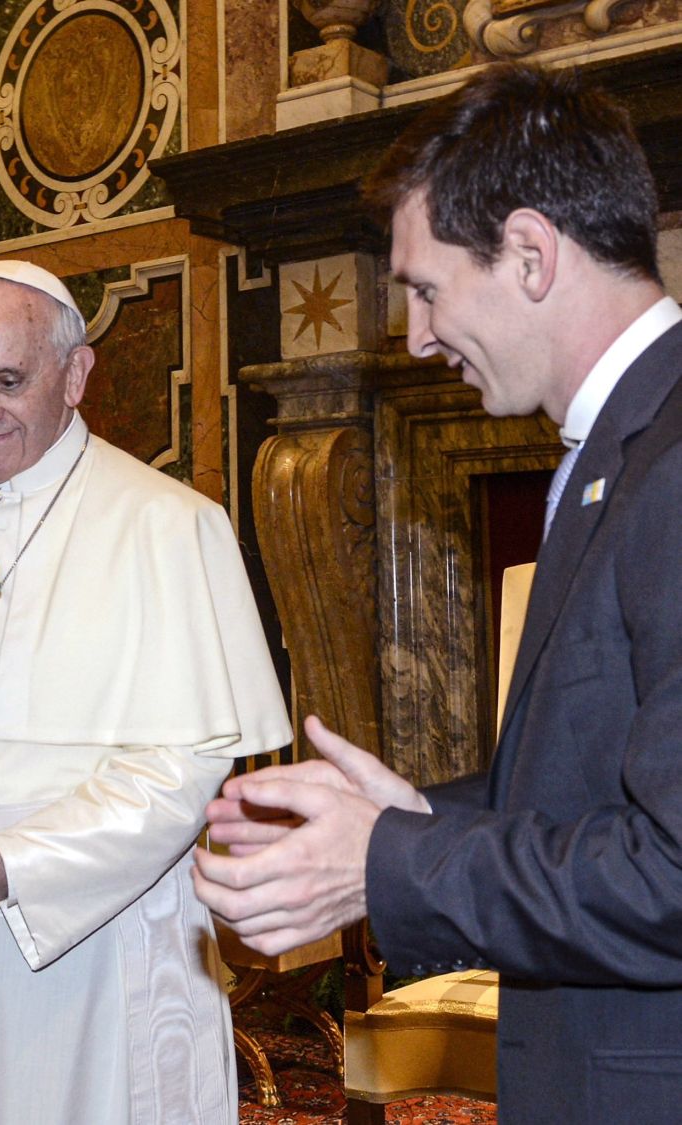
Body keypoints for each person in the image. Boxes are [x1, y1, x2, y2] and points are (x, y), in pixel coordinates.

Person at [193, 62, 682, 1124]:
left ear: (532, 255)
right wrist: (411, 813)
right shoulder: (622, 449)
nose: (414, 337)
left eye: (424, 288)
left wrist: (390, 863)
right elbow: (599, 801)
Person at [0, 259, 292, 1123]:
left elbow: (180, 769)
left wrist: (10, 865)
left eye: (9, 381)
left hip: (82, 945)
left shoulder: (167, 523)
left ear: (75, 375)